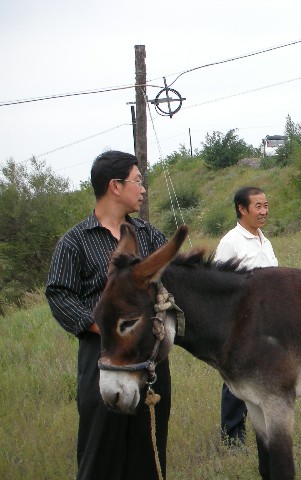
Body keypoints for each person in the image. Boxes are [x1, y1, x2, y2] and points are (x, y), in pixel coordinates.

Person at [46, 151, 171, 480]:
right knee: (100, 454)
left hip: (148, 359)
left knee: (150, 451)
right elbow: (59, 294)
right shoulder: (75, 241)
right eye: (138, 181)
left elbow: (175, 282)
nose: (142, 189)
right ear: (115, 186)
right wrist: (109, 329)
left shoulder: (149, 236)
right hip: (102, 356)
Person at [214, 186, 278, 445]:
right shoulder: (231, 242)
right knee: (237, 380)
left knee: (263, 376)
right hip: (240, 323)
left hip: (268, 322)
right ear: (242, 209)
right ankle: (232, 438)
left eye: (265, 205)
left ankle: (264, 430)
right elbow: (218, 286)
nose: (264, 211)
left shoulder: (265, 240)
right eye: (258, 206)